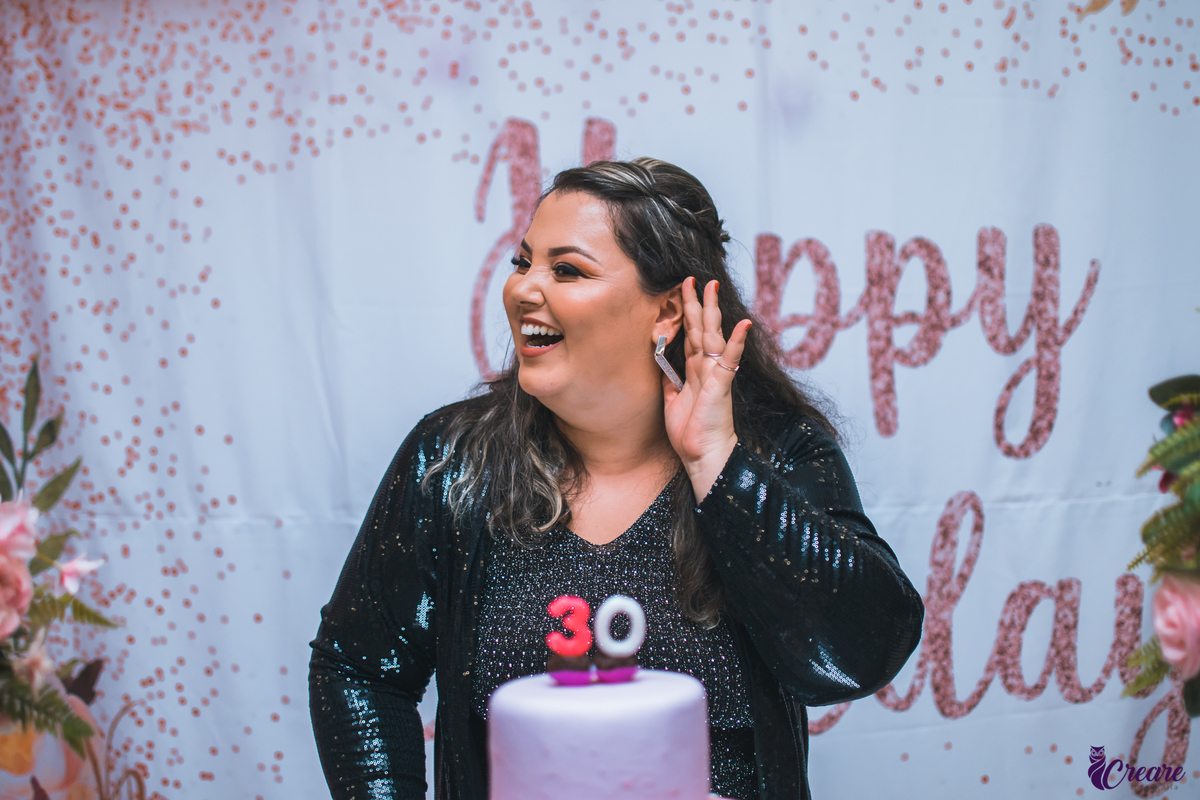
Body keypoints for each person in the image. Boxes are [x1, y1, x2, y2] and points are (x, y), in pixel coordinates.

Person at [309, 158, 924, 800]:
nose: (522, 290)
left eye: (567, 269)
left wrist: (718, 462)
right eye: (524, 263)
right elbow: (358, 667)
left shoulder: (777, 452)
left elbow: (861, 654)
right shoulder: (452, 459)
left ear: (666, 311)